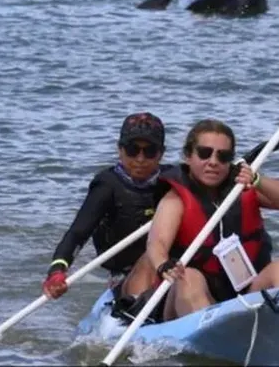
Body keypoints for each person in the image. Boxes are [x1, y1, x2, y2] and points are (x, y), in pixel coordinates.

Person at [147, 119, 279, 322]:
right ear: (188, 156)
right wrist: (163, 265)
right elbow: (156, 243)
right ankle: (212, 334)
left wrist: (257, 179)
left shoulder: (243, 187)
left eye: (223, 156)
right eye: (204, 153)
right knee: (188, 277)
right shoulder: (174, 200)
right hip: (193, 298)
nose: (213, 161)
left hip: (244, 293)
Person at [42, 113, 178, 322]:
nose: (140, 159)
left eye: (149, 151)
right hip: (125, 279)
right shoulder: (107, 186)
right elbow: (77, 234)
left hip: (174, 270)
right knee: (152, 254)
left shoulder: (176, 179)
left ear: (161, 154)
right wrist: (57, 271)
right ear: (120, 150)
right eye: (132, 150)